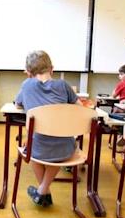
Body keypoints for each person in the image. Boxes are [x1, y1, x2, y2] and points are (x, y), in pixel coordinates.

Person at [15, 50, 82, 207]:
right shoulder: (63, 85)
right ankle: (43, 191)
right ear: (52, 68)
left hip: (36, 148)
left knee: (30, 147)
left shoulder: (26, 85)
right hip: (65, 149)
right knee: (57, 146)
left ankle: (43, 191)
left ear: (29, 72)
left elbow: (18, 104)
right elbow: (80, 109)